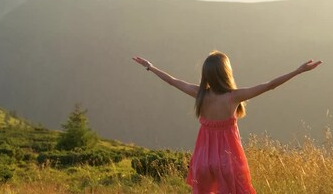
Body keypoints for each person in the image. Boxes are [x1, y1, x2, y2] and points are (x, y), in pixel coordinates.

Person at [132, 50, 322, 194]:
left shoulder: (200, 95)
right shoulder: (233, 97)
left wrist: (150, 66)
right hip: (228, 159)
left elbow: (173, 81)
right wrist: (299, 71)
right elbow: (269, 85)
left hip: (203, 159)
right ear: (226, 72)